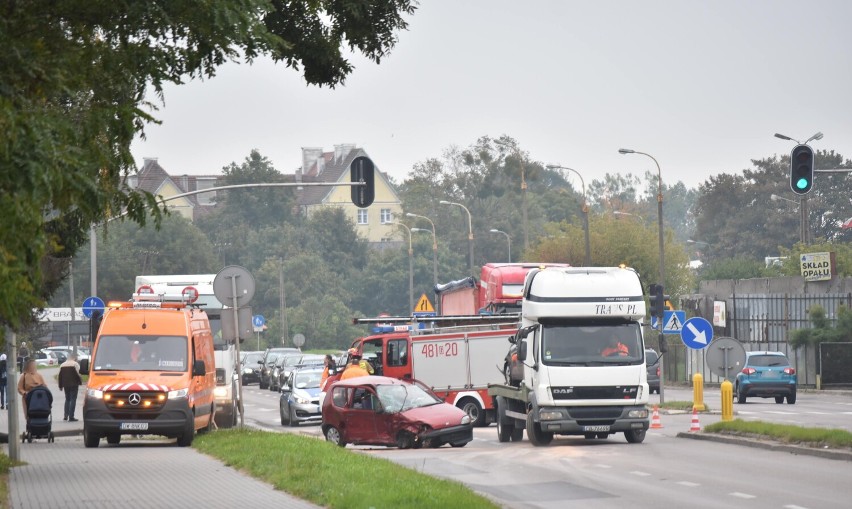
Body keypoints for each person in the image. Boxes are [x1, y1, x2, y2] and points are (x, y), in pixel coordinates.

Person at [58, 353, 83, 421]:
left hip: (66, 384)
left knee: (67, 399)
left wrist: (60, 385)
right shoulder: (75, 364)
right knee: (73, 399)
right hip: (74, 384)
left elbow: (60, 376)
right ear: (74, 358)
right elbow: (79, 374)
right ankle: (71, 416)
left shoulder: (62, 365)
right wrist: (81, 381)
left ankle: (66, 415)